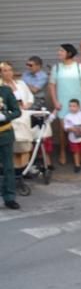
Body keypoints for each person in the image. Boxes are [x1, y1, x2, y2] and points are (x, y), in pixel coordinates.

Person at [49, 43, 81, 166]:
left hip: (78, 102)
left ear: (69, 53)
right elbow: (52, 85)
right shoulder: (56, 68)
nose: (58, 53)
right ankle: (62, 152)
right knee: (63, 130)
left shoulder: (79, 67)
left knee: (80, 128)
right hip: (63, 103)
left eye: (61, 51)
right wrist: (55, 101)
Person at [0, 61, 33, 169]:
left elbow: (30, 97)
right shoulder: (2, 89)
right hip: (10, 116)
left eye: (10, 70)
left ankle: (25, 162)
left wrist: (27, 105)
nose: (8, 73)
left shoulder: (21, 84)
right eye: (5, 71)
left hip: (23, 112)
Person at [0, 81, 23, 209]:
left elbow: (17, 111)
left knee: (8, 167)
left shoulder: (5, 90)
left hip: (4, 134)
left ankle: (9, 197)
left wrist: (5, 116)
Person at [62, 98, 81, 173]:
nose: (72, 108)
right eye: (70, 106)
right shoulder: (67, 116)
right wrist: (71, 129)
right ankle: (77, 165)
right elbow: (66, 127)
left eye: (74, 106)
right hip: (73, 138)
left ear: (78, 107)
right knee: (75, 152)